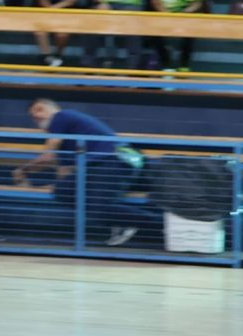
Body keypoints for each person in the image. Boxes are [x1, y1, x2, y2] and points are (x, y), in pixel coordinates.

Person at [21, 99, 156, 246]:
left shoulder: (61, 116)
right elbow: (64, 174)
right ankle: (117, 220)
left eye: (39, 109)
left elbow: (48, 156)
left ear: (53, 108)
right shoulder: (66, 139)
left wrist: (23, 171)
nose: (37, 116)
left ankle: (161, 224)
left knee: (99, 207)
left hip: (116, 159)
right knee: (63, 191)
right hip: (98, 166)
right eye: (33, 116)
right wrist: (48, 186)